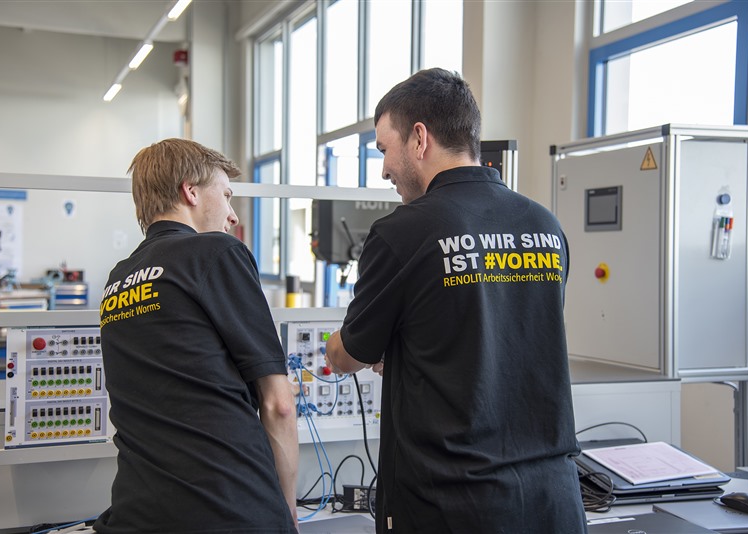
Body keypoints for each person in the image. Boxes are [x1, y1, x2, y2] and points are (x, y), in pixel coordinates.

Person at [324, 69, 587, 533]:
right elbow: (502, 332)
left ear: (419, 138)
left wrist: (338, 347)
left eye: (384, 149)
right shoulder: (545, 226)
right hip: (554, 501)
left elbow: (348, 356)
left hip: (452, 502)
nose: (384, 169)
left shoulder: (402, 232)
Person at [94, 139, 299, 533]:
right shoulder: (216, 252)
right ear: (190, 191)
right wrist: (286, 510)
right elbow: (279, 405)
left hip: (138, 513)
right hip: (227, 509)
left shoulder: (118, 279)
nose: (232, 216)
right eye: (226, 195)